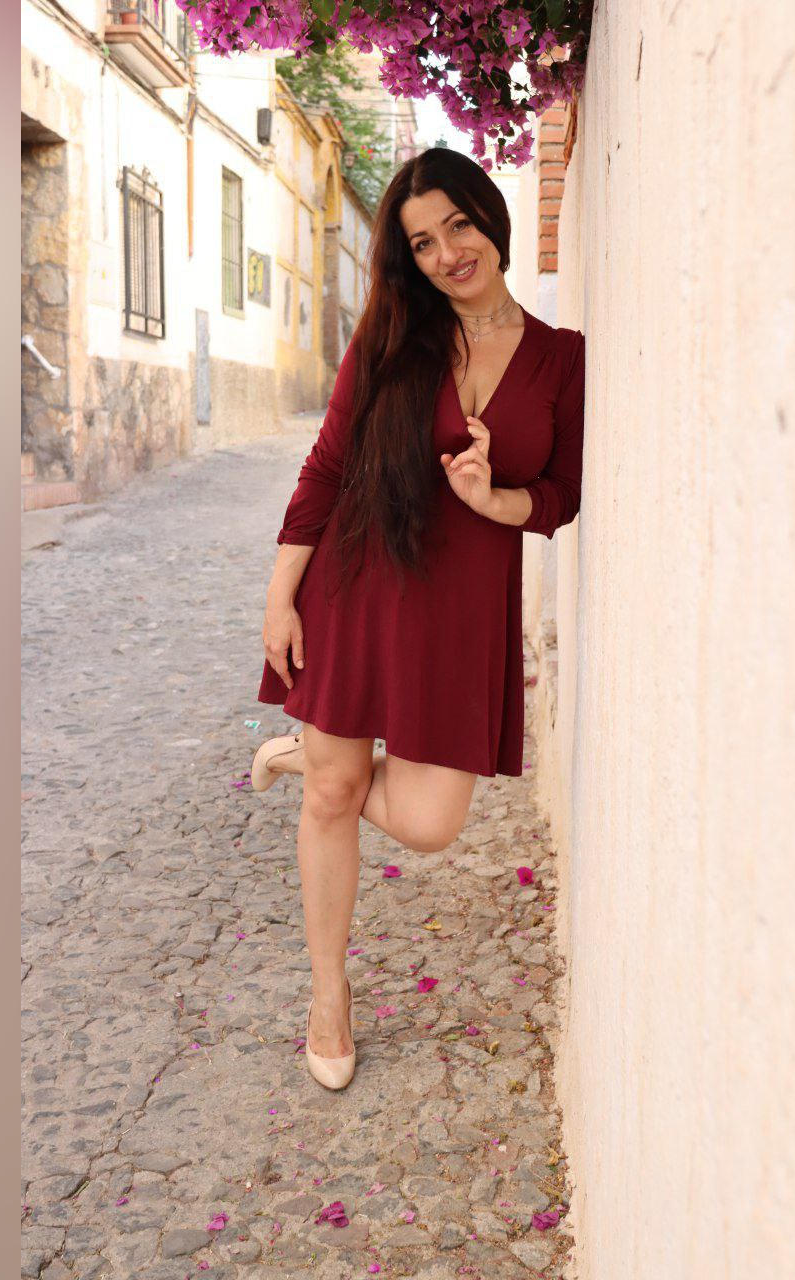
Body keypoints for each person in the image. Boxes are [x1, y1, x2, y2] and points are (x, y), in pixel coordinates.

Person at [251, 147, 587, 1090]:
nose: (447, 253)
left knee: (432, 823)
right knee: (334, 798)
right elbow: (326, 466)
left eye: (459, 225)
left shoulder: (562, 358)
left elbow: (560, 495)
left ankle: (304, 756)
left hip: (459, 613)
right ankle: (328, 995)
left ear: (491, 219)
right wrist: (280, 596)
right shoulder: (393, 341)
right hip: (357, 583)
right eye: (423, 242)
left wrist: (493, 500)